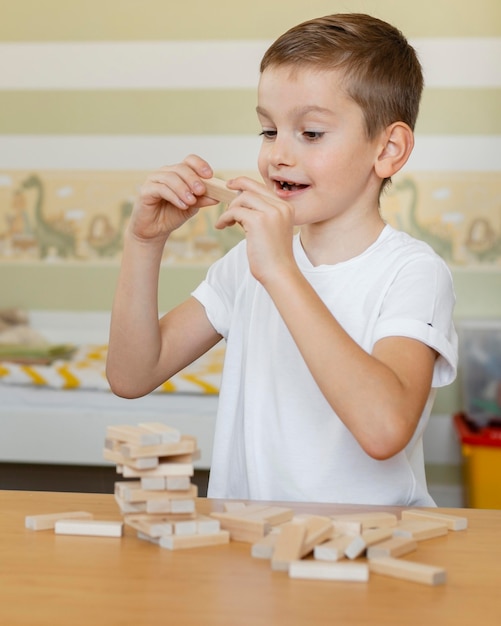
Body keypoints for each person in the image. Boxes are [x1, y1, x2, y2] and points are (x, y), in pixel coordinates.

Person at [106, 13, 458, 506]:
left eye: (311, 133)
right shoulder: (246, 265)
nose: (278, 156)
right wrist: (144, 245)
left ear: (389, 149)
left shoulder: (412, 273)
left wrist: (279, 271)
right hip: (252, 555)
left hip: (367, 562)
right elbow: (131, 375)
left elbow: (384, 430)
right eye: (268, 131)